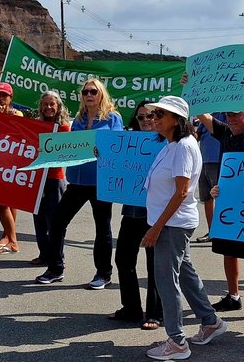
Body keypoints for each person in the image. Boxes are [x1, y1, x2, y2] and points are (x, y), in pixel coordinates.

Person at [141, 96, 227, 360]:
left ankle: (177, 341)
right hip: (172, 223)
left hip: (172, 225)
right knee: (186, 274)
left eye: (160, 115)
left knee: (167, 281)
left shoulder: (182, 147)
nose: (154, 118)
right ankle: (210, 321)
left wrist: (156, 228)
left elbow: (180, 193)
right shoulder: (173, 144)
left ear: (177, 120)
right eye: (154, 114)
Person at [194, 57, 244, 324]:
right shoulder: (224, 132)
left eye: (238, 114)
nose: (233, 118)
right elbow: (201, 113)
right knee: (228, 251)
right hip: (228, 202)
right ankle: (234, 295)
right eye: (229, 114)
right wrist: (190, 85)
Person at [35, 78, 123, 288]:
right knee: (57, 222)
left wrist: (103, 150)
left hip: (100, 181)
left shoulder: (113, 118)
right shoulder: (80, 118)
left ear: (101, 94)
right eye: (85, 92)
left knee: (102, 227)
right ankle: (55, 268)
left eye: (93, 91)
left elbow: (118, 147)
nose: (89, 95)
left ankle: (103, 274)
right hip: (77, 180)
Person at [108, 101, 163, 331]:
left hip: (156, 214)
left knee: (154, 264)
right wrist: (101, 155)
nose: (146, 120)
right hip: (131, 211)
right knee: (123, 259)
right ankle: (131, 307)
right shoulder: (127, 142)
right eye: (141, 117)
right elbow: (113, 164)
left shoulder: (168, 142)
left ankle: (155, 313)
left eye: (150, 116)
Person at [31, 91, 70, 265]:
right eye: (45, 104)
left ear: (58, 106)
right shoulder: (35, 126)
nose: (48, 107)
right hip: (37, 179)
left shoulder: (64, 128)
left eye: (51, 104)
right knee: (38, 219)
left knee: (55, 221)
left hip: (55, 179)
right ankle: (44, 254)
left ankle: (57, 257)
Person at [0, 82, 23, 254]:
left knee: (5, 203)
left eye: (5, 95)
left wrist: (8, 117)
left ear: (11, 98)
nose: (1, 98)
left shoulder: (16, 113)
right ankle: (7, 236)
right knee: (4, 204)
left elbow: (21, 135)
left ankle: (12, 240)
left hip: (11, 164)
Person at [192, 112, 224, 244]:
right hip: (203, 161)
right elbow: (197, 135)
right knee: (206, 198)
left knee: (220, 198)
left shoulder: (225, 115)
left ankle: (221, 232)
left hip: (218, 161)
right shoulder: (207, 116)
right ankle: (212, 232)